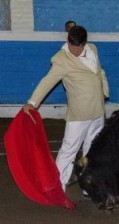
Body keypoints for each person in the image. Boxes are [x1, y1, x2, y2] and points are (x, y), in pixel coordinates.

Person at [22, 26, 109, 192]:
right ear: (68, 41)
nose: (75, 50)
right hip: (79, 115)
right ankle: (57, 186)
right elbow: (47, 81)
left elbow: (100, 72)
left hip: (98, 112)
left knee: (92, 151)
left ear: (85, 43)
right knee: (69, 150)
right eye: (72, 46)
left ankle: (87, 185)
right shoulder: (61, 59)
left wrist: (104, 91)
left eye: (79, 47)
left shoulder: (93, 49)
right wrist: (32, 103)